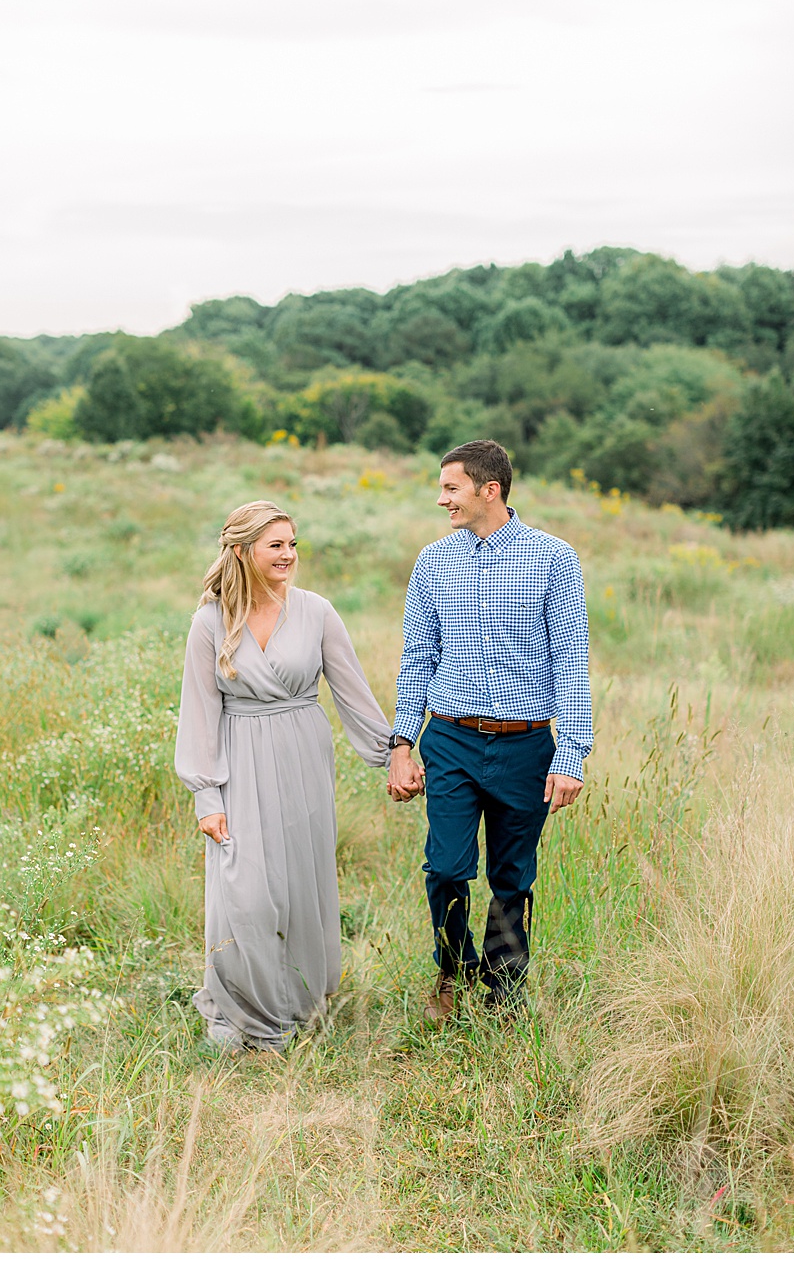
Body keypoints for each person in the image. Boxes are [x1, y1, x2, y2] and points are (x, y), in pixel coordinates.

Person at [175, 500, 394, 1053]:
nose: (289, 555)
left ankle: (298, 1004)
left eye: (293, 544)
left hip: (302, 755)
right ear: (244, 551)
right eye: (276, 545)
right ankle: (243, 1009)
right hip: (239, 762)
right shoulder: (210, 622)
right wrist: (207, 794)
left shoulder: (317, 612)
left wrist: (392, 754)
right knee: (243, 891)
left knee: (300, 886)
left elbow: (353, 695)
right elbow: (200, 712)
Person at [389, 439, 592, 1023]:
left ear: (489, 490)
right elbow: (417, 660)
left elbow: (570, 660)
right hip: (449, 740)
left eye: (450, 487)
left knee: (512, 875)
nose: (441, 498)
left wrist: (570, 755)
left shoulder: (554, 558)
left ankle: (503, 989)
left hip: (527, 745)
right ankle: (453, 972)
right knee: (448, 867)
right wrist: (403, 744)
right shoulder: (434, 562)